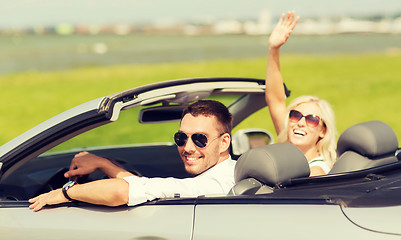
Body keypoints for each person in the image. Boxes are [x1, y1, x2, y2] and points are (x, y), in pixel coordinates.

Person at [29, 100, 235, 211]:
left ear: (224, 141)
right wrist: (103, 164)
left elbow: (121, 192)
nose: (188, 148)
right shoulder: (233, 171)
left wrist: (63, 193)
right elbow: (142, 187)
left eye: (200, 139)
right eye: (181, 138)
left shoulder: (211, 187)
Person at [265, 11, 337, 176]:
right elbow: (275, 99)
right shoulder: (288, 144)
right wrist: (273, 49)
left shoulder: (317, 170)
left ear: (323, 131)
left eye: (312, 119)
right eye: (295, 115)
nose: (300, 123)